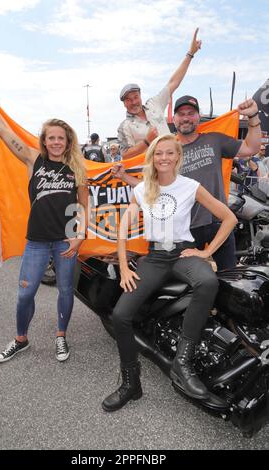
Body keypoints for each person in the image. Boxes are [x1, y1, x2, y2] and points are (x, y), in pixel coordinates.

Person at [102, 134, 237, 412]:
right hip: (155, 257)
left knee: (207, 281)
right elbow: (123, 227)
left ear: (178, 157)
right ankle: (131, 384)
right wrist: (125, 266)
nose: (163, 158)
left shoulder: (191, 186)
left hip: (182, 253)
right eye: (158, 153)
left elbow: (229, 218)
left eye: (169, 153)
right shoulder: (143, 189)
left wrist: (204, 251)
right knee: (120, 315)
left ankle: (182, 362)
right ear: (152, 158)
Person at [0, 82, 88, 363]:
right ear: (44, 141)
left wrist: (80, 234)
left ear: (68, 141)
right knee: (25, 295)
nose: (57, 142)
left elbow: (83, 206)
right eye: (52, 138)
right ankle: (21, 339)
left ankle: (61, 336)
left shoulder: (76, 168)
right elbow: (3, 130)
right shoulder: (33, 159)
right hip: (36, 240)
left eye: (61, 138)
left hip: (65, 241)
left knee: (65, 292)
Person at [113, 96, 261, 270]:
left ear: (198, 117)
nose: (185, 118)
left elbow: (252, 148)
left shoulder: (214, 140)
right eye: (181, 114)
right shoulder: (167, 150)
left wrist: (253, 117)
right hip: (183, 230)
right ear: (174, 119)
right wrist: (123, 177)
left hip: (217, 223)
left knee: (228, 277)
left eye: (191, 113)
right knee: (186, 283)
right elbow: (150, 186)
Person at [117, 28, 202, 160]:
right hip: (150, 175)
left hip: (175, 167)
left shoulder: (154, 104)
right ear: (124, 103)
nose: (133, 102)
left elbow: (173, 82)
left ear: (140, 96)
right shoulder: (124, 126)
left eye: (135, 97)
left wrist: (190, 54)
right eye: (128, 100)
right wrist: (146, 141)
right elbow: (125, 155)